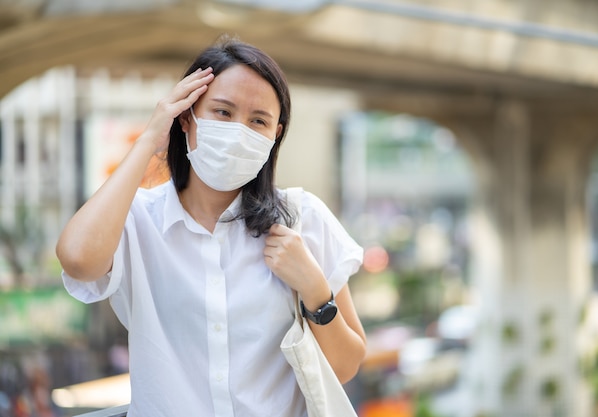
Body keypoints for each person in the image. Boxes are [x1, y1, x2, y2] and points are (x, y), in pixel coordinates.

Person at [56, 35, 367, 417]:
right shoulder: (137, 219)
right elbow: (77, 260)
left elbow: (346, 367)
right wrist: (148, 139)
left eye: (258, 120)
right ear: (186, 117)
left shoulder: (303, 218)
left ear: (275, 135)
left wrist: (316, 289)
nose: (240, 131)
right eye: (222, 112)